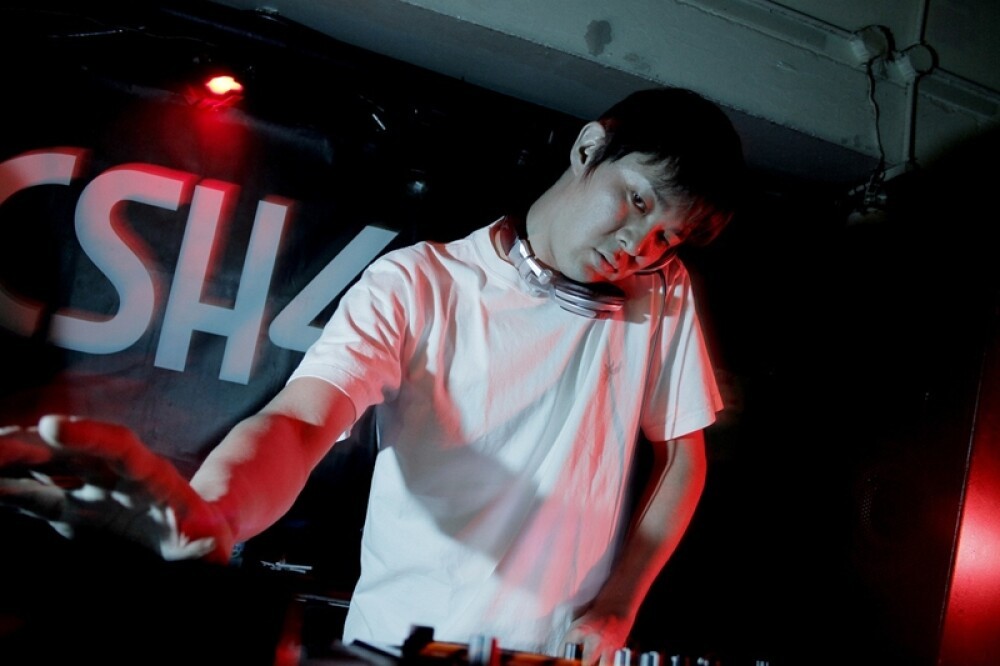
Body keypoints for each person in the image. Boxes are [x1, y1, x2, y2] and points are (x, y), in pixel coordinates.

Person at [0, 87, 744, 664]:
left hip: (554, 651)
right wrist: (214, 514)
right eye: (637, 200)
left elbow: (684, 458)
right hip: (400, 646)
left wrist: (618, 604)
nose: (639, 244)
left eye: (666, 235)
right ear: (589, 148)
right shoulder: (420, 283)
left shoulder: (662, 290)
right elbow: (301, 419)